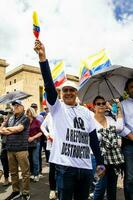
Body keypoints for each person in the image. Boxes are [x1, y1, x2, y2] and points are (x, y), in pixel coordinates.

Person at [34, 40, 105, 200]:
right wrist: (43, 59)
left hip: (85, 167)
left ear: (76, 93)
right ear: (61, 93)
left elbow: (93, 139)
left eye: (71, 90)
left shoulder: (86, 112)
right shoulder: (57, 108)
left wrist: (100, 162)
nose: (68, 93)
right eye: (65, 90)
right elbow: (48, 86)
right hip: (65, 168)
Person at [92, 96, 124, 200]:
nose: (101, 105)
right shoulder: (90, 122)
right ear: (94, 107)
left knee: (112, 187)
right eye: (98, 103)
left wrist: (119, 108)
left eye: (103, 103)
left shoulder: (110, 119)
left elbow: (119, 127)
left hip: (112, 159)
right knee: (100, 187)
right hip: (98, 160)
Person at [0, 100, 30, 200]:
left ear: (22, 107)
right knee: (13, 172)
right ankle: (15, 191)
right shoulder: (10, 118)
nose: (15, 107)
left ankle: (26, 192)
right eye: (14, 105)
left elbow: (19, 129)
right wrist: (10, 129)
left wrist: (7, 130)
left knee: (25, 173)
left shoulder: (25, 118)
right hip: (10, 149)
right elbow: (1, 129)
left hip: (21, 149)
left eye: (18, 105)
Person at [120, 78, 133, 200]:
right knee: (130, 178)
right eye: (131, 87)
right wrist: (131, 136)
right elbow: (121, 126)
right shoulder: (122, 105)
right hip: (129, 145)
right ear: (127, 90)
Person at [41, 112, 57, 199]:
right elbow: (42, 126)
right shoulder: (50, 114)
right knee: (53, 169)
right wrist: (48, 135)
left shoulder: (66, 113)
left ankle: (60, 189)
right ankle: (53, 190)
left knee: (64, 170)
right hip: (52, 146)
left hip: (64, 146)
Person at [26, 107, 42, 182]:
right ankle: (32, 173)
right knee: (29, 160)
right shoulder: (25, 122)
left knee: (35, 159)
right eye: (27, 112)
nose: (27, 113)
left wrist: (33, 137)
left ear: (32, 113)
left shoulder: (37, 121)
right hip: (27, 143)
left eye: (28, 112)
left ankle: (36, 174)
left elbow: (41, 132)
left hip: (36, 142)